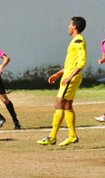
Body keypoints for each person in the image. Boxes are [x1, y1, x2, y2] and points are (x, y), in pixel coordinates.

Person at [37, 16, 87, 146]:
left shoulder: (78, 42)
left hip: (71, 78)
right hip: (68, 76)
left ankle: (52, 137)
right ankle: (72, 136)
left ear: (74, 27)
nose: (68, 27)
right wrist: (58, 74)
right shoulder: (75, 41)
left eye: (70, 25)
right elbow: (71, 63)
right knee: (66, 105)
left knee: (58, 105)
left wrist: (69, 77)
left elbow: (82, 62)